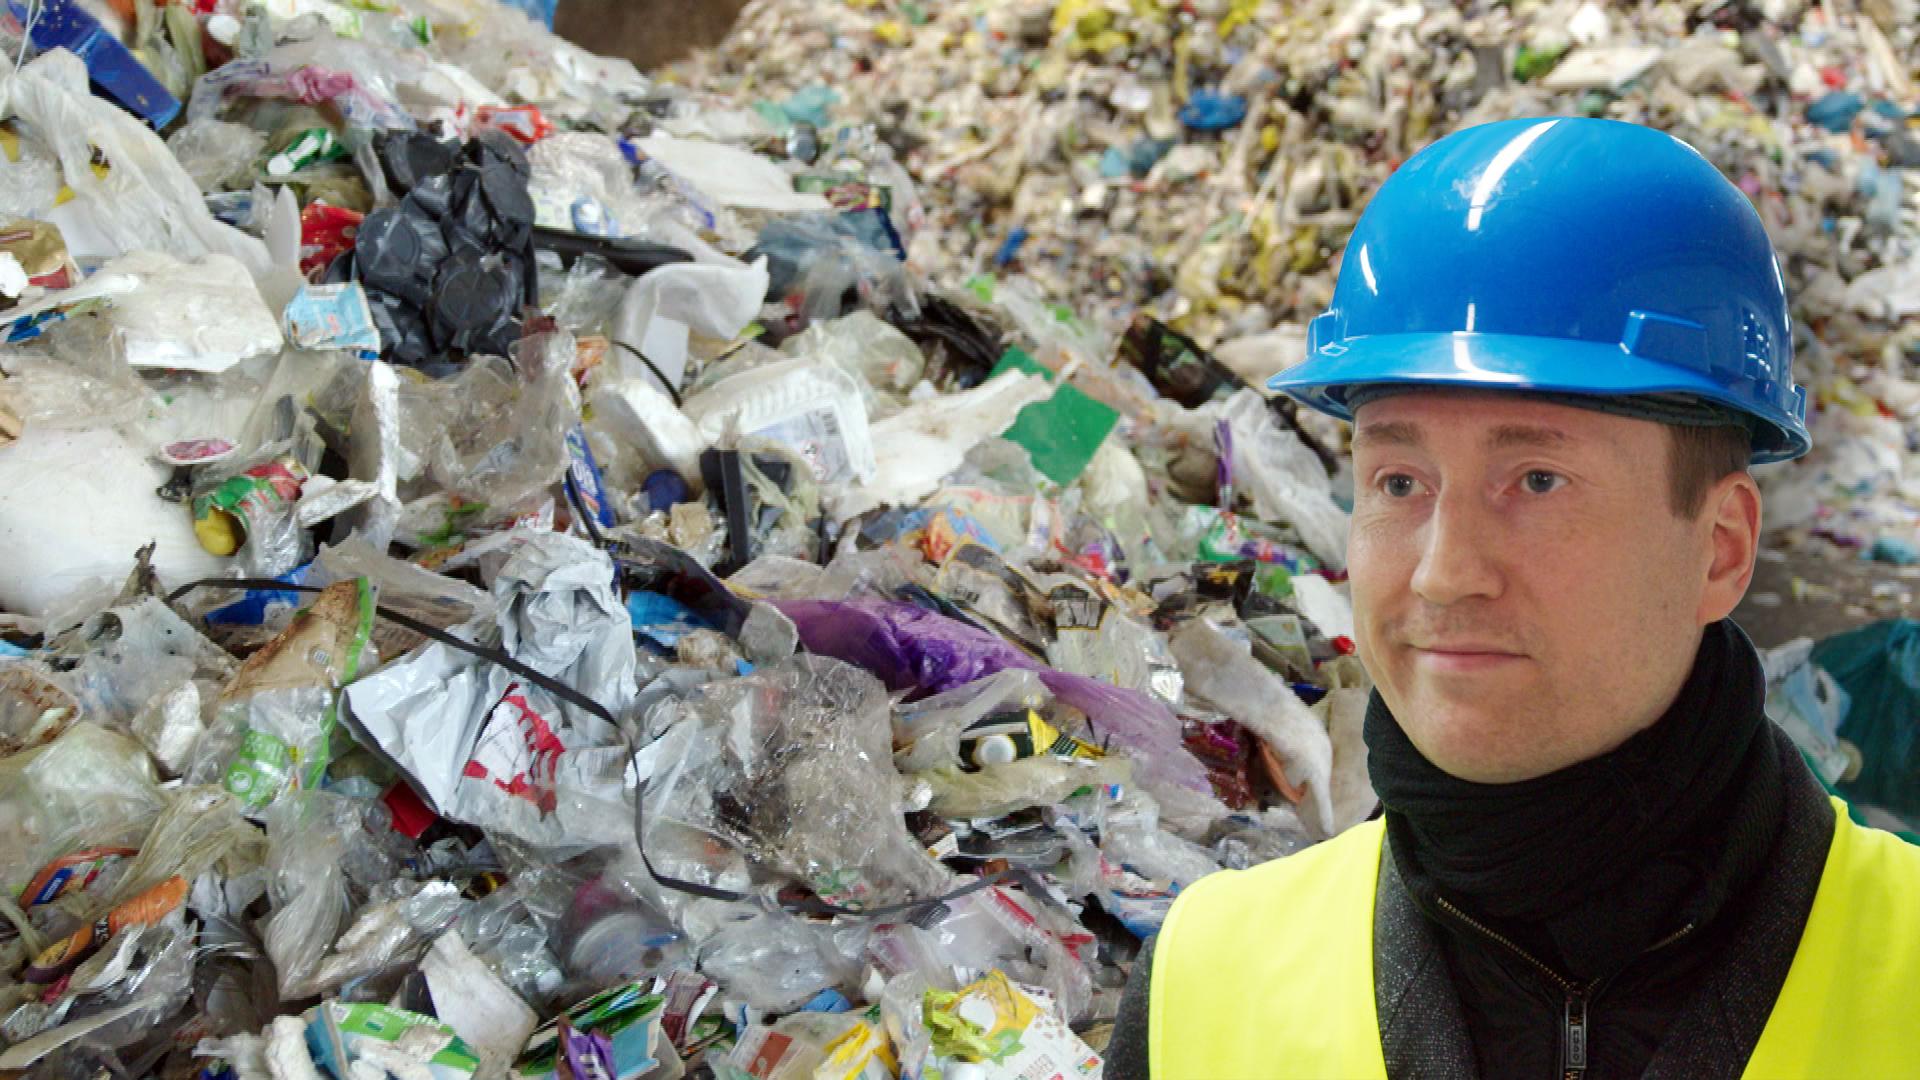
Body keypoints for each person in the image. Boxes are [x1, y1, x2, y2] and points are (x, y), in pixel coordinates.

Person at [1104, 118, 1920, 1079]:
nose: (1444, 573)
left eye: (1537, 480)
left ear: (1721, 549)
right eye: (1399, 483)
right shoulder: (1207, 984)